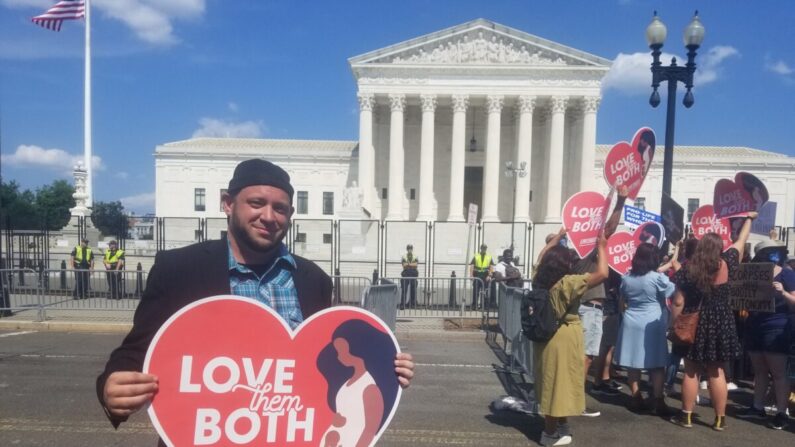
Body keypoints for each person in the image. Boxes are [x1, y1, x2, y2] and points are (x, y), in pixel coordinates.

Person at [96, 159, 415, 441]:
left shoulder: (313, 280)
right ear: (227, 203)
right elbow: (137, 351)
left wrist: (387, 365)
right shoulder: (179, 269)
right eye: (257, 203)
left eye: (280, 208)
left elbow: (330, 359)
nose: (269, 216)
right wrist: (111, 388)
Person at [669, 212, 756, 431]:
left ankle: (686, 416)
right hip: (721, 321)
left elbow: (678, 301)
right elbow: (741, 241)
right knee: (717, 372)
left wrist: (675, 323)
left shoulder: (687, 269)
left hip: (695, 321)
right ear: (719, 249)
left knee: (691, 371)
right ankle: (719, 419)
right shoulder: (728, 263)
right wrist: (749, 220)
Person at [532, 229, 609, 446]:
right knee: (560, 384)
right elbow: (603, 273)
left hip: (546, 337)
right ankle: (548, 433)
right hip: (564, 337)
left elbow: (541, 256)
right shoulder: (567, 283)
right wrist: (602, 247)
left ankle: (560, 425)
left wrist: (556, 237)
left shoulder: (539, 277)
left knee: (553, 382)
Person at [572, 185, 626, 417]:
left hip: (578, 306)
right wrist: (621, 201)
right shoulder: (589, 251)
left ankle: (573, 397)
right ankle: (577, 400)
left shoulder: (574, 252)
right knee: (587, 356)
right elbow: (610, 229)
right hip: (591, 307)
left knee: (580, 355)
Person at [736, 239, 795, 430]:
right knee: (760, 371)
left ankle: (781, 412)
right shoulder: (752, 273)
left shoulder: (787, 274)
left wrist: (783, 292)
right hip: (755, 326)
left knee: (778, 373)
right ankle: (758, 406)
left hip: (776, 326)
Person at [614, 243, 676, 415]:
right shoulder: (656, 277)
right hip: (652, 321)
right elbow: (672, 291)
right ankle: (658, 399)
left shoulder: (626, 277)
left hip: (631, 320)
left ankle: (635, 396)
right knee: (657, 363)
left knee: (633, 362)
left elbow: (622, 298)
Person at [318, 319, 399, 447]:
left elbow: (369, 430)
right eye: (337, 351)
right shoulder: (347, 383)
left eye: (342, 350)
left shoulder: (369, 388)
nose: (339, 356)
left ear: (357, 348)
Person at [470, 244, 494, 309]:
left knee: (485, 292)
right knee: (475, 292)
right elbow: (472, 265)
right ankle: (475, 305)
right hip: (477, 276)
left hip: (485, 277)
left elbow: (491, 266)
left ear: (486, 249)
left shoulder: (489, 257)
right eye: (483, 248)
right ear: (481, 248)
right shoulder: (476, 256)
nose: (484, 249)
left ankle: (484, 306)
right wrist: (471, 275)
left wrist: (489, 275)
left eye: (485, 248)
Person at [400, 244, 419, 310]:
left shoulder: (415, 256)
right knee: (404, 290)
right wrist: (410, 264)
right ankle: (403, 304)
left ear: (412, 249)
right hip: (406, 274)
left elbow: (415, 264)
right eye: (409, 248)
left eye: (411, 248)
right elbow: (404, 265)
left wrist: (408, 264)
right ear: (407, 249)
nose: (410, 250)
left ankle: (412, 304)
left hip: (413, 274)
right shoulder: (404, 256)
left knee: (413, 290)